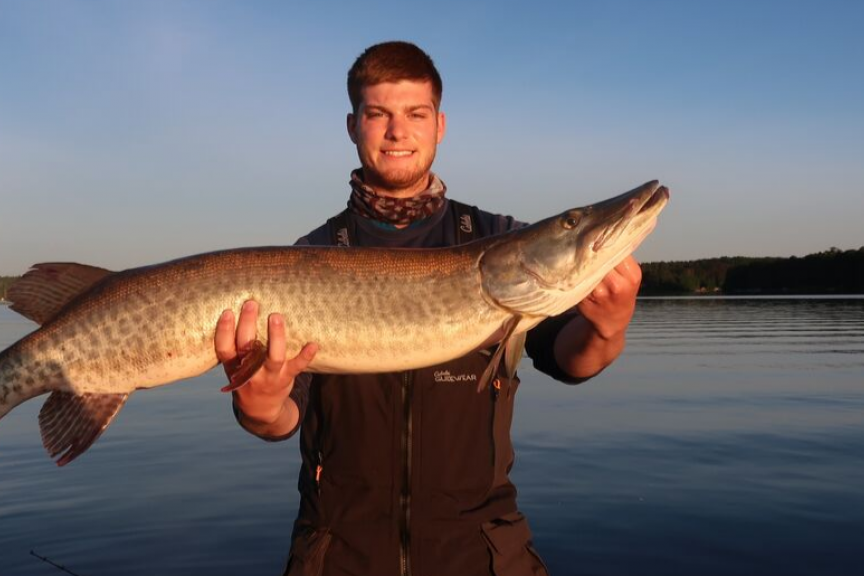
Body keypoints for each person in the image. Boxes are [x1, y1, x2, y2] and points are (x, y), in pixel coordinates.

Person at [214, 41, 641, 576]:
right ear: (353, 126)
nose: (398, 131)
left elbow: (571, 358)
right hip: (340, 550)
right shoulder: (313, 256)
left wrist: (609, 327)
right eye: (378, 115)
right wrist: (258, 405)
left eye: (415, 114)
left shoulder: (499, 239)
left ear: (439, 125)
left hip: (483, 549)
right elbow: (280, 416)